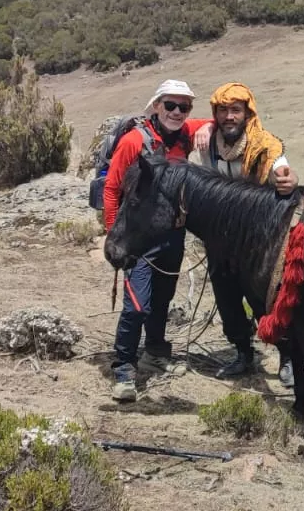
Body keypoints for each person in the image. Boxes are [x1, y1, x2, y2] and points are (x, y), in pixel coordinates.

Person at [102, 79, 210, 402]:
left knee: (163, 298)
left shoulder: (186, 133)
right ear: (157, 106)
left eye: (184, 107)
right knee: (138, 306)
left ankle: (155, 352)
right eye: (170, 105)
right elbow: (112, 188)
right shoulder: (134, 141)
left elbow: (224, 119)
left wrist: (207, 128)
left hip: (173, 233)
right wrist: (115, 234)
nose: (177, 112)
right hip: (138, 239)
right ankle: (124, 368)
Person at [192, 82, 299, 380]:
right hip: (220, 241)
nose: (229, 117)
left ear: (248, 113)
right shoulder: (208, 142)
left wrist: (289, 179)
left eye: (236, 110)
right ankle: (243, 353)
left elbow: (283, 172)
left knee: (266, 300)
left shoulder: (265, 145)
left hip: (257, 243)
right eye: (223, 110)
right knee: (227, 300)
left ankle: (288, 356)